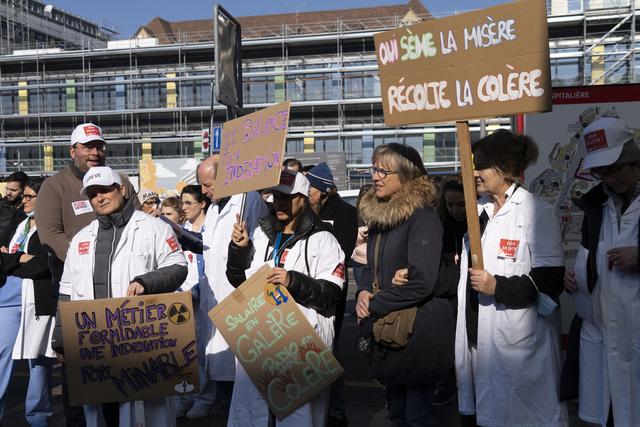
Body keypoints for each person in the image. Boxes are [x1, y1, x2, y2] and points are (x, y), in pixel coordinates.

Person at [55, 166, 187, 427]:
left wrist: (145, 282)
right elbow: (67, 290)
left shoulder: (154, 228)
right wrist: (60, 339)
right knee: (102, 413)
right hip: (95, 343)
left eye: (105, 190)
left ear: (122, 189)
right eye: (93, 194)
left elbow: (178, 267)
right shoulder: (82, 238)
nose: (100, 198)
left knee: (143, 413)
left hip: (139, 341)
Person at [454, 130, 568, 426]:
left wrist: (496, 286)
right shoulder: (475, 211)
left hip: (520, 343)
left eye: (480, 166)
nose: (474, 173)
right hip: (480, 339)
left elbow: (550, 282)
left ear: (503, 168)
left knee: (525, 415)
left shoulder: (536, 212)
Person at [36, 122, 137, 427]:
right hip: (75, 283)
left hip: (120, 284)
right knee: (80, 362)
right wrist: (83, 261)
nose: (95, 152)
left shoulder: (121, 181)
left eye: (99, 146)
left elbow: (136, 222)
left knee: (121, 360)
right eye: (88, 146)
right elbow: (50, 234)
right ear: (73, 151)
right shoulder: (55, 186)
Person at [226, 170, 345, 426]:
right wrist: (240, 249)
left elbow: (330, 295)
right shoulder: (261, 236)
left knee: (299, 418)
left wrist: (292, 281)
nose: (278, 203)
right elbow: (239, 282)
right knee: (252, 413)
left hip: (301, 346)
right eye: (275, 197)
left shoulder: (323, 239)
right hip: (261, 342)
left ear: (302, 199)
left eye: (286, 198)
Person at [355, 143, 453, 426]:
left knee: (417, 416)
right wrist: (362, 291)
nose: (376, 177)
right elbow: (367, 268)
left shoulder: (423, 218)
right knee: (397, 414)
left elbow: (422, 282)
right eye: (375, 169)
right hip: (390, 332)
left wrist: (375, 304)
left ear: (407, 175)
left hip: (418, 333)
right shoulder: (379, 219)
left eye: (385, 171)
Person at [563, 117, 640, 426]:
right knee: (613, 412)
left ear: (634, 159)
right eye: (600, 172)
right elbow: (590, 256)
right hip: (608, 334)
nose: (608, 179)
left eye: (614, 169)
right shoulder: (597, 206)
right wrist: (578, 277)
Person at [181, 155, 267, 416]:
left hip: (239, 300)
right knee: (222, 373)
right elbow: (210, 249)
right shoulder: (216, 208)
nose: (205, 192)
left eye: (208, 185)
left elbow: (259, 248)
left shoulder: (249, 200)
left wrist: (244, 246)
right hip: (214, 298)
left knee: (243, 383)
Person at [0, 178, 56, 426]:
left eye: (30, 196)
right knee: (1, 355)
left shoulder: (52, 227)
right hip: (8, 300)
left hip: (38, 299)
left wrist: (13, 260)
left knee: (39, 359)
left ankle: (38, 417)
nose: (24, 200)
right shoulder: (18, 224)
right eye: (24, 196)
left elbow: (46, 264)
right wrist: (20, 259)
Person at [306, 162, 357, 425]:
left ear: (324, 190)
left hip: (330, 292)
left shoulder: (346, 213)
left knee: (330, 350)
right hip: (303, 292)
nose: (307, 194)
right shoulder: (304, 211)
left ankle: (335, 410)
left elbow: (343, 251)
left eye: (311, 189)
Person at [174, 185, 215, 419]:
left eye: (189, 202)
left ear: (202, 204)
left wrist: (197, 292)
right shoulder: (181, 230)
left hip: (205, 298)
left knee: (205, 350)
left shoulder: (212, 230)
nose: (185, 207)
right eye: (183, 203)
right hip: (182, 301)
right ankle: (184, 396)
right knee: (185, 353)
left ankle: (204, 399)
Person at [0, 171, 29, 245]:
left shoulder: (29, 210)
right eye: (7, 189)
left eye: (13, 190)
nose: (8, 193)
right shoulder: (1, 207)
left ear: (24, 190)